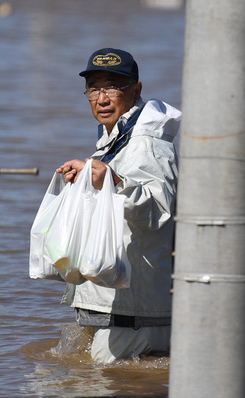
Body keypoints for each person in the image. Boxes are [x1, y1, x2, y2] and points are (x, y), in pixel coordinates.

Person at [55, 48, 181, 364]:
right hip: (115, 302)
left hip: (136, 309)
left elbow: (158, 212)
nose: (102, 98)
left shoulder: (147, 143)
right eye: (94, 88)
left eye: (113, 86)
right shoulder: (114, 141)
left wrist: (115, 180)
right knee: (73, 376)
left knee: (97, 387)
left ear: (136, 90)